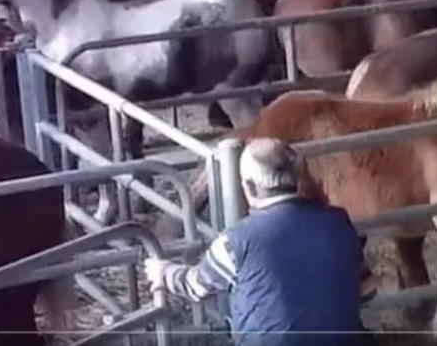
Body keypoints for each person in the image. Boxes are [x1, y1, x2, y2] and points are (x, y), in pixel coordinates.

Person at [144, 139, 368, 346]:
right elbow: (363, 283)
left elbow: (196, 286)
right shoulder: (339, 222)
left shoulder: (235, 241)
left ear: (249, 187)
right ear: (298, 179)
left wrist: (163, 271)